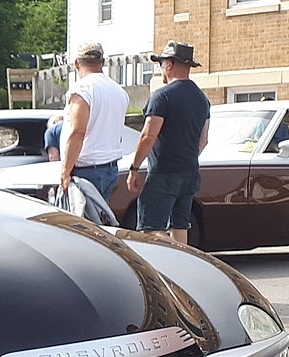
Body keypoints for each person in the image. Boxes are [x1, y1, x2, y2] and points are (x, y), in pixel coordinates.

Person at [127, 40, 210, 245]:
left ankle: (172, 257)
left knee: (150, 229)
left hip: (163, 173)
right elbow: (204, 140)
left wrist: (134, 168)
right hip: (190, 171)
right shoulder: (202, 99)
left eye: (161, 64)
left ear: (170, 64)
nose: (161, 68)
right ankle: (183, 261)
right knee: (180, 226)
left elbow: (148, 136)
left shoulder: (162, 96)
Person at [59, 42, 130, 202]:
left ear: (77, 63)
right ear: (102, 62)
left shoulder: (82, 90)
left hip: (85, 169)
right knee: (100, 216)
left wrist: (65, 171)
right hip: (110, 167)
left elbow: (78, 132)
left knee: (78, 218)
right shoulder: (119, 91)